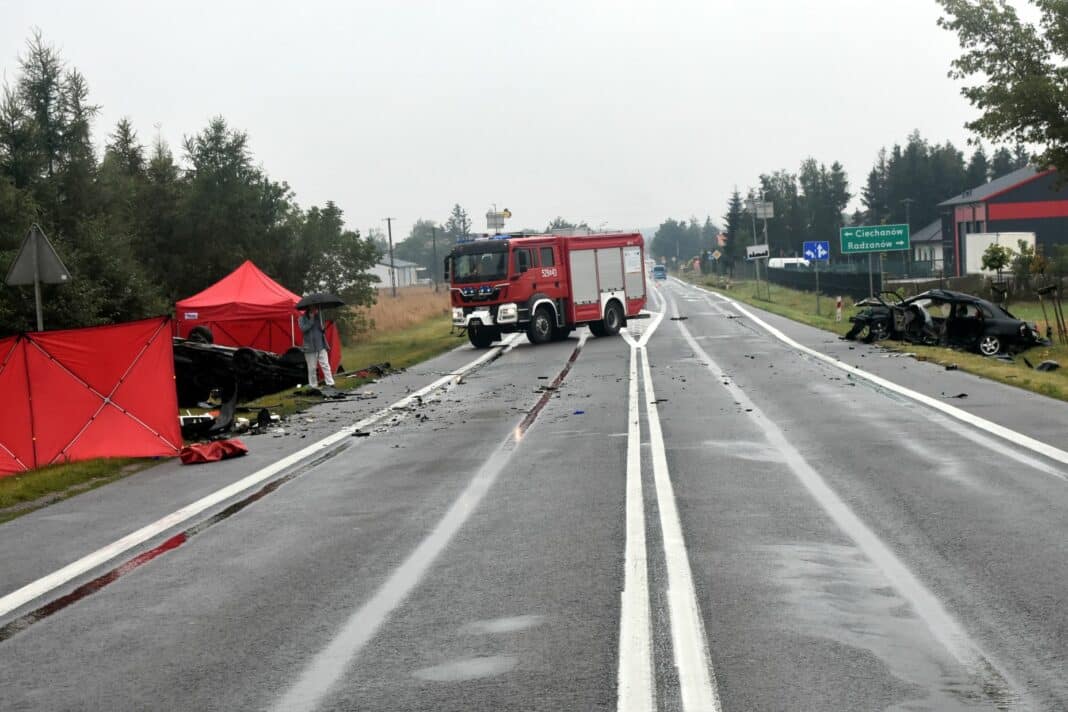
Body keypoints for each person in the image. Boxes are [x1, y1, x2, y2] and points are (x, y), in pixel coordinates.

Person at [298, 305, 334, 389]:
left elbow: (322, 330)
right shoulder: (301, 318)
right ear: (308, 308)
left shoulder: (320, 317)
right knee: (312, 368)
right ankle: (313, 386)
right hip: (309, 347)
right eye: (313, 307)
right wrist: (311, 320)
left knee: (325, 364)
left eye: (316, 307)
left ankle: (330, 383)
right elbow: (303, 329)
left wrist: (323, 328)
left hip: (321, 344)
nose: (315, 309)